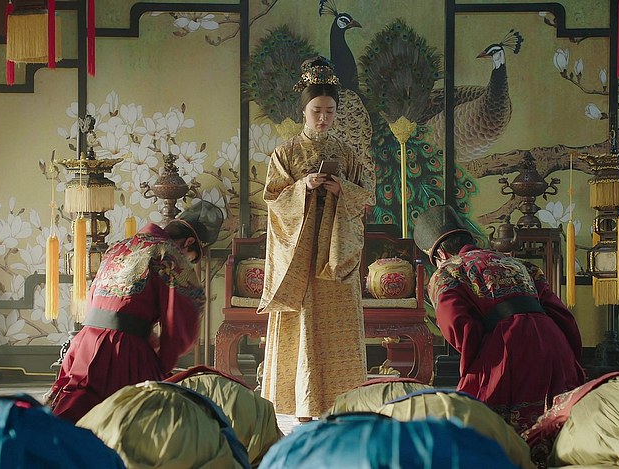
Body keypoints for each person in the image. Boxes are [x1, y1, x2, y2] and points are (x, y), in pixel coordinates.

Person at [257, 56, 375, 422]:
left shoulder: (348, 154)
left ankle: (342, 404)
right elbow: (273, 200)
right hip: (302, 254)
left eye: (329, 111)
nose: (323, 118)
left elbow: (365, 197)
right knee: (303, 319)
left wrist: (342, 190)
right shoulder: (285, 153)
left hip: (336, 249)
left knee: (338, 323)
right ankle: (302, 405)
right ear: (303, 111)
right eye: (316, 111)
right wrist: (302, 187)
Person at [412, 205, 585, 433]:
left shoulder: (447, 272)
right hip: (553, 341)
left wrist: (480, 360)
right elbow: (560, 313)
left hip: (506, 347)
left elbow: (457, 325)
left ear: (440, 255)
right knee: (558, 427)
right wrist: (570, 356)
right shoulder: (519, 264)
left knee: (485, 427)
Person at [47, 200, 224, 423]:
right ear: (188, 242)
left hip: (85, 341)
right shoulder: (168, 253)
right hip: (121, 349)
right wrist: (164, 356)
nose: (187, 262)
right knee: (141, 418)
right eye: (190, 257)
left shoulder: (120, 246)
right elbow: (185, 311)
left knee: (75, 408)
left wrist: (145, 331)